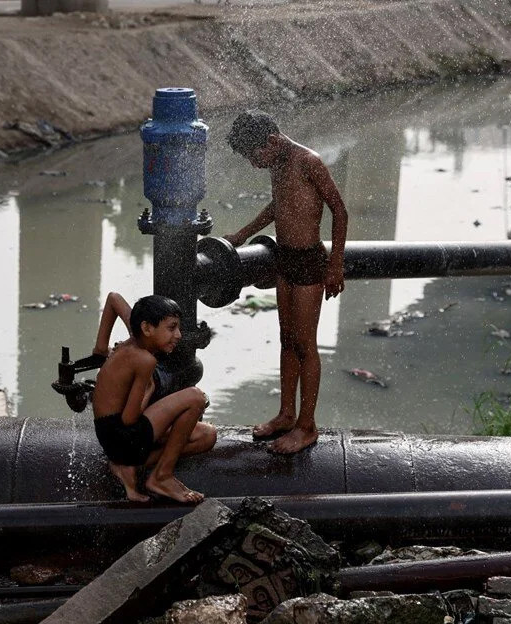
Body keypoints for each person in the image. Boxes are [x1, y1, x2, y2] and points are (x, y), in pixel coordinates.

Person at [223, 110, 349, 455]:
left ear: (273, 141)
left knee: (306, 344)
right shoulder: (277, 161)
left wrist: (335, 265)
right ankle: (286, 413)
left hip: (310, 262)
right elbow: (277, 206)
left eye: (255, 156)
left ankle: (307, 426)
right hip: (285, 259)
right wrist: (243, 234)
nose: (254, 164)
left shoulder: (309, 161)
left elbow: (339, 210)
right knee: (286, 339)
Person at [91, 293, 216, 504]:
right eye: (171, 328)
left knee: (207, 435)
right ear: (147, 328)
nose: (178, 335)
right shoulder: (144, 360)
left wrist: (101, 349)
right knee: (196, 397)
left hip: (112, 436)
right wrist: (148, 389)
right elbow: (130, 419)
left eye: (178, 327)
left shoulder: (138, 333)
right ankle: (161, 476)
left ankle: (130, 466)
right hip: (122, 437)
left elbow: (113, 299)